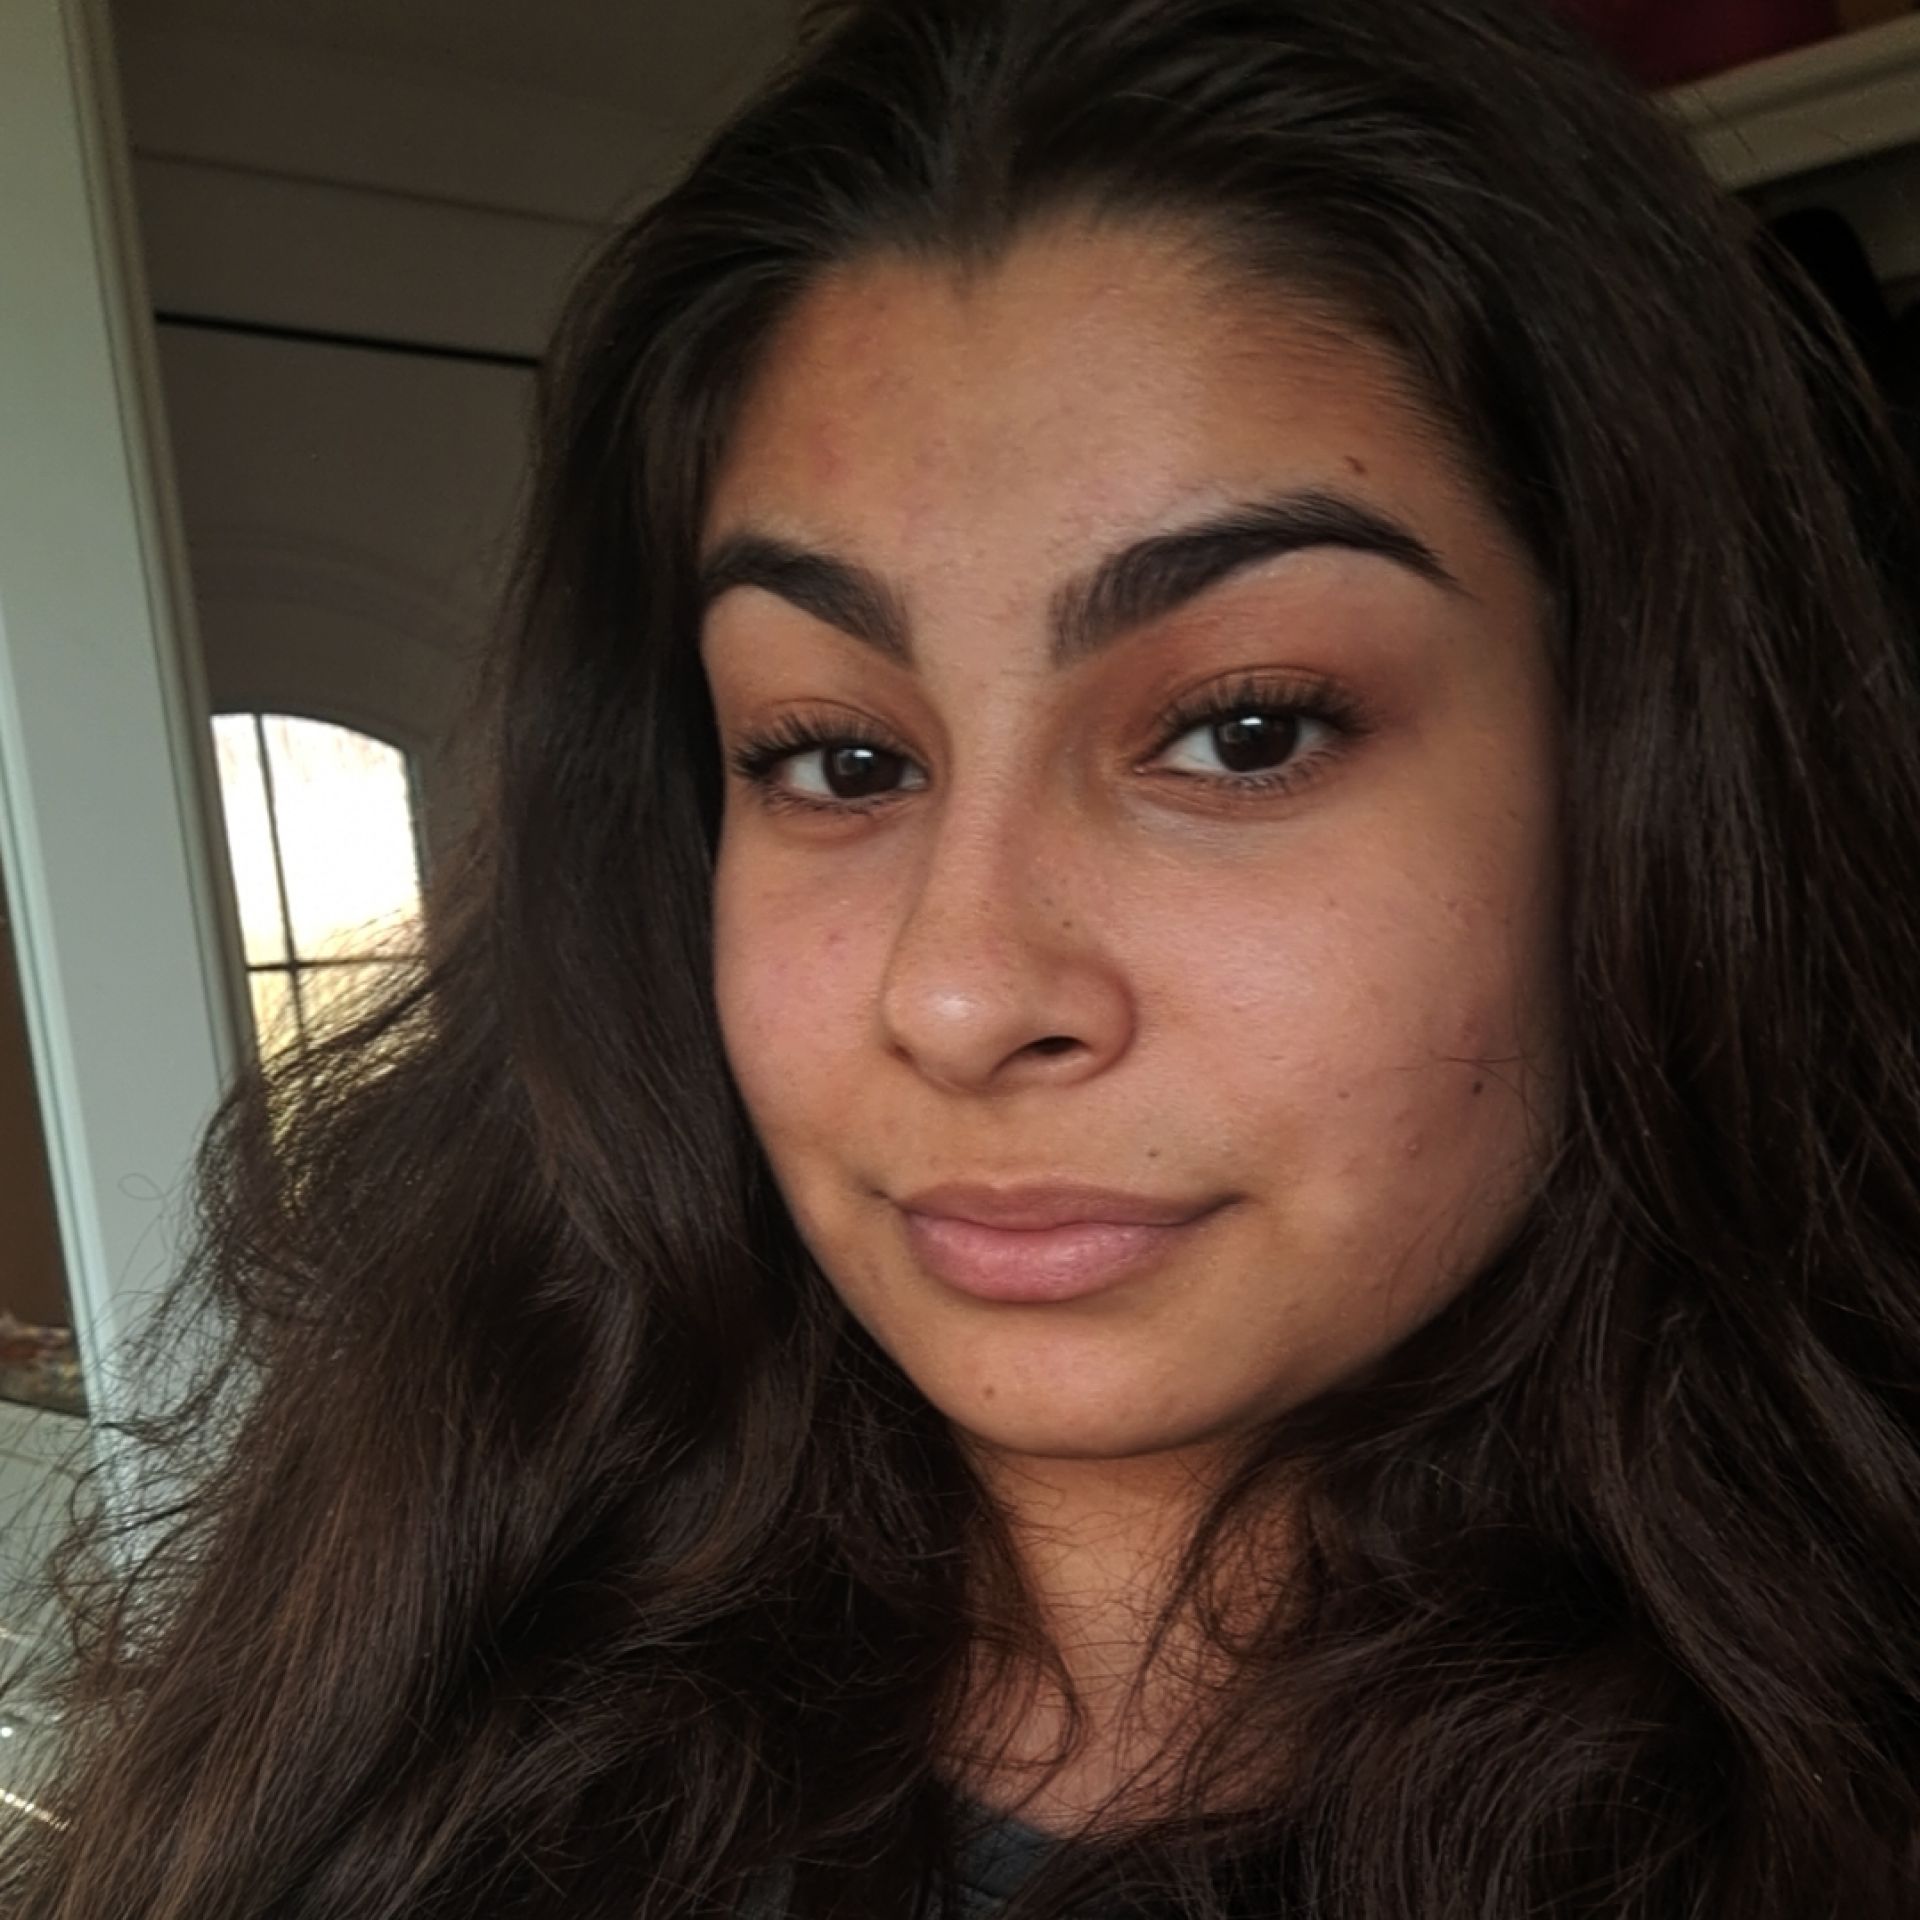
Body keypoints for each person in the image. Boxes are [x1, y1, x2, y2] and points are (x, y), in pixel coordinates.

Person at [5, 0, 1918, 1913]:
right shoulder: (417, 1664)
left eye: (1244, 729)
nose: (959, 992)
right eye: (838, 759)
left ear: (1647, 783)